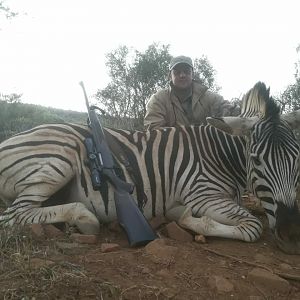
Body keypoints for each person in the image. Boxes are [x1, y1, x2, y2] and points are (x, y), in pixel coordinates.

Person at [144, 55, 237, 130]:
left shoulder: (208, 96)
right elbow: (153, 129)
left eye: (187, 71)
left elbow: (230, 110)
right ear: (169, 76)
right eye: (177, 72)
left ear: (193, 74)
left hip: (206, 148)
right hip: (172, 150)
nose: (182, 75)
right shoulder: (158, 99)